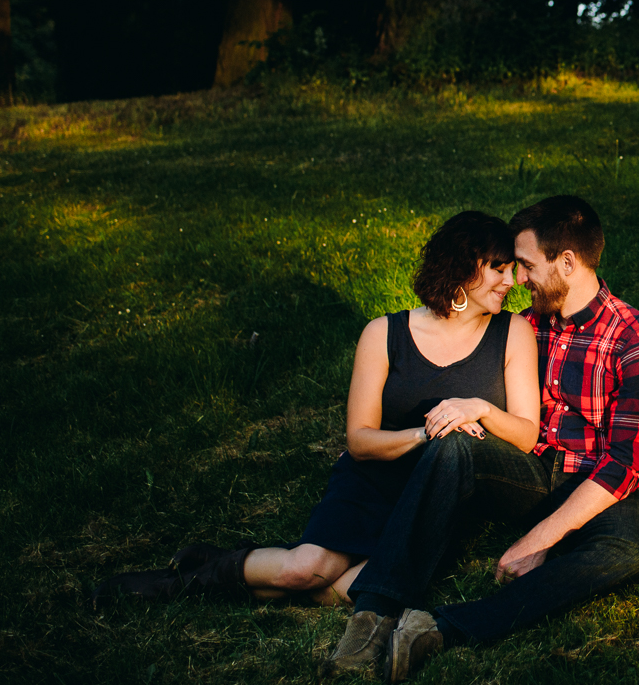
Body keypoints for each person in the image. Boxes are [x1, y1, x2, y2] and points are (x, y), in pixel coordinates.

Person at [93, 211, 539, 608]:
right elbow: (359, 441)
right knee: (303, 571)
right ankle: (184, 582)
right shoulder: (383, 333)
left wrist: (478, 409)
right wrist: (427, 434)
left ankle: (209, 572)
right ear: (462, 268)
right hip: (374, 479)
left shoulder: (512, 332)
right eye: (498, 268)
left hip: (440, 492)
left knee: (353, 589)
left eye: (512, 270)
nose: (511, 281)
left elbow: (525, 436)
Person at [323, 195, 639, 683]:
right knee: (454, 446)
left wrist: (540, 538)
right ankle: (372, 614)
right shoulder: (522, 327)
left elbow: (624, 466)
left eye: (526, 266)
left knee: (627, 552)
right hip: (532, 469)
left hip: (600, 485)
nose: (518, 280)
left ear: (566, 263)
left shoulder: (637, 340)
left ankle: (442, 627)